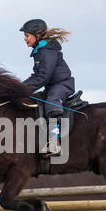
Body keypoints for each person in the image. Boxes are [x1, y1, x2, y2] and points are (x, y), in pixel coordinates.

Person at [20, 19, 75, 156]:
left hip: (62, 85)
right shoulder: (40, 50)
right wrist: (20, 88)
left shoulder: (47, 50)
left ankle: (54, 143)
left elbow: (44, 77)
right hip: (52, 85)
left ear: (37, 35)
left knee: (52, 100)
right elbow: (37, 75)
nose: (25, 39)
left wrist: (23, 90)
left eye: (27, 36)